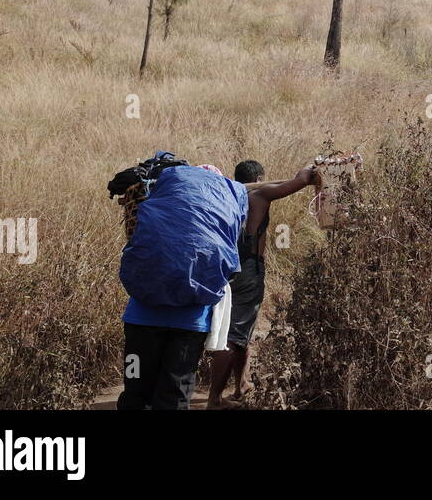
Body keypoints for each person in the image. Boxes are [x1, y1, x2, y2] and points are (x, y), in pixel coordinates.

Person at [118, 161, 248, 411]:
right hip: (190, 324)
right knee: (174, 393)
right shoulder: (224, 210)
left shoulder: (154, 200)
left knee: (135, 390)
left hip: (141, 320)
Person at [207, 159, 317, 409]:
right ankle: (214, 399)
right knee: (233, 336)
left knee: (240, 330)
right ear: (259, 178)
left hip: (226, 270)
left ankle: (241, 385)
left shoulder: (226, 194)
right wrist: (314, 167)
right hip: (248, 270)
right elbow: (300, 181)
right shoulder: (260, 192)